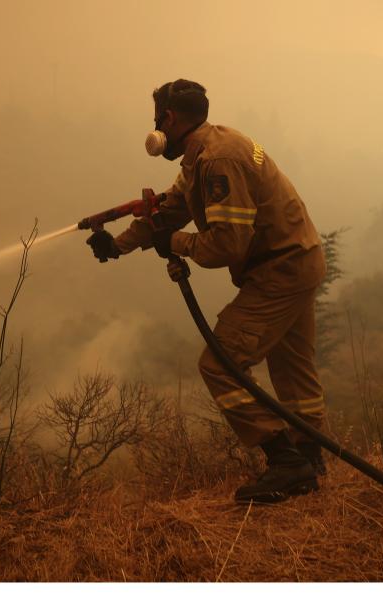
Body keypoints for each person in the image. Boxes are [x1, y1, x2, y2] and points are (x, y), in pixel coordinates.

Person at [86, 79, 327, 503]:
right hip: (298, 260)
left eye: (157, 116)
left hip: (280, 271)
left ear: (170, 119)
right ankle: (310, 459)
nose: (155, 125)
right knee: (292, 370)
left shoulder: (218, 162)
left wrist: (174, 244)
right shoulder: (209, 151)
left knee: (219, 364)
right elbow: (173, 209)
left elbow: (225, 246)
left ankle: (287, 462)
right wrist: (119, 245)